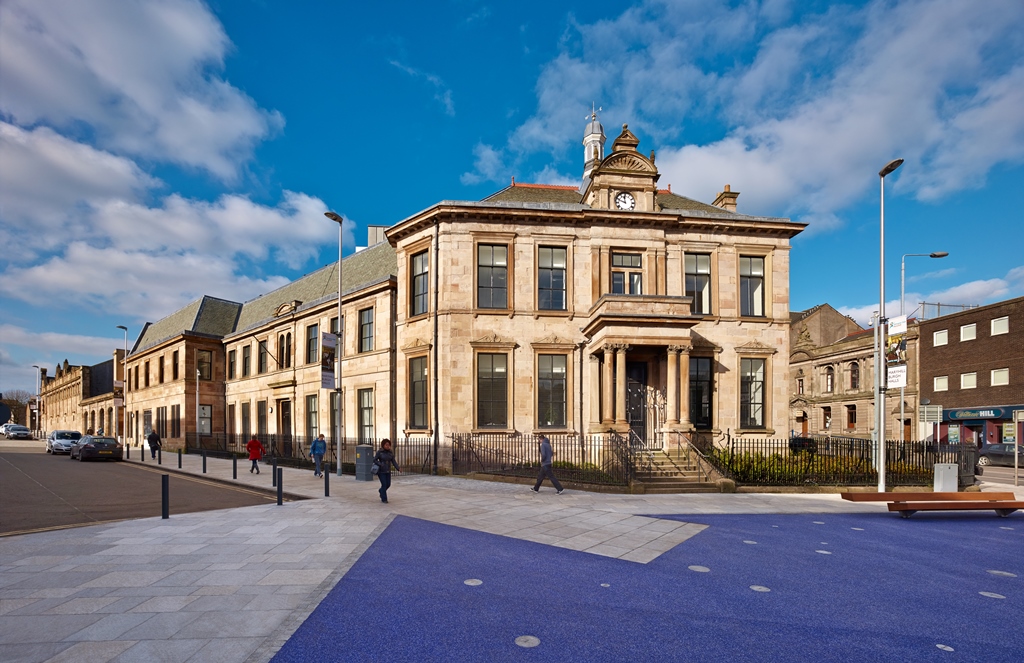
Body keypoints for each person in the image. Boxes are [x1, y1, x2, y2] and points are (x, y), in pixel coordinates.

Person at [372, 439, 400, 503]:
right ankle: (384, 499)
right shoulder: (380, 452)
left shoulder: (390, 452)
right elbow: (374, 460)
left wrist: (398, 468)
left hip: (388, 470)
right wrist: (380, 464)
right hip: (381, 471)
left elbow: (393, 461)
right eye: (386, 445)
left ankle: (381, 491)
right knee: (384, 484)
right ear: (383, 445)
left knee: (388, 484)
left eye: (389, 445)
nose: (388, 446)